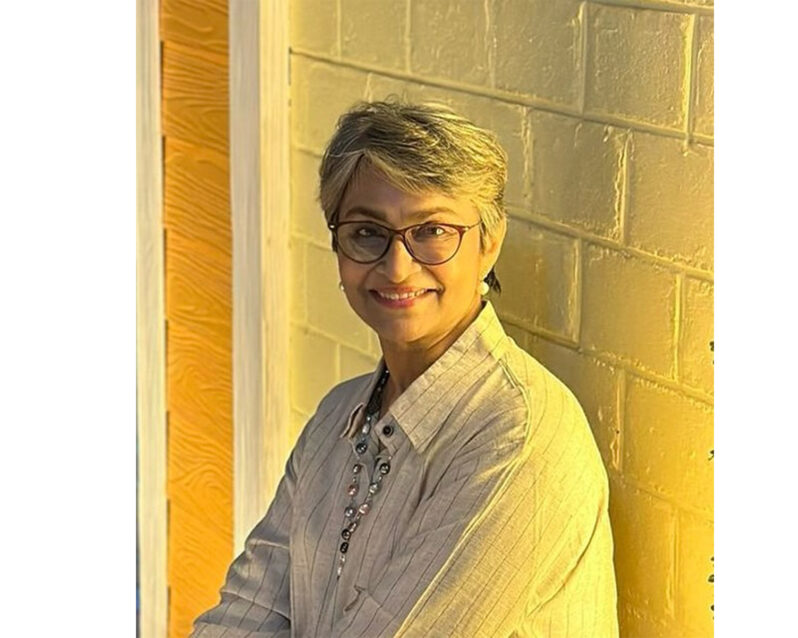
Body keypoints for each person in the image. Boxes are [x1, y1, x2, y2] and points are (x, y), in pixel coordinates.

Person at [190, 100, 618, 637]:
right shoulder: (337, 417)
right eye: (367, 232)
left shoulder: (519, 438)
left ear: (489, 243)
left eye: (432, 231)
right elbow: (245, 616)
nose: (397, 267)